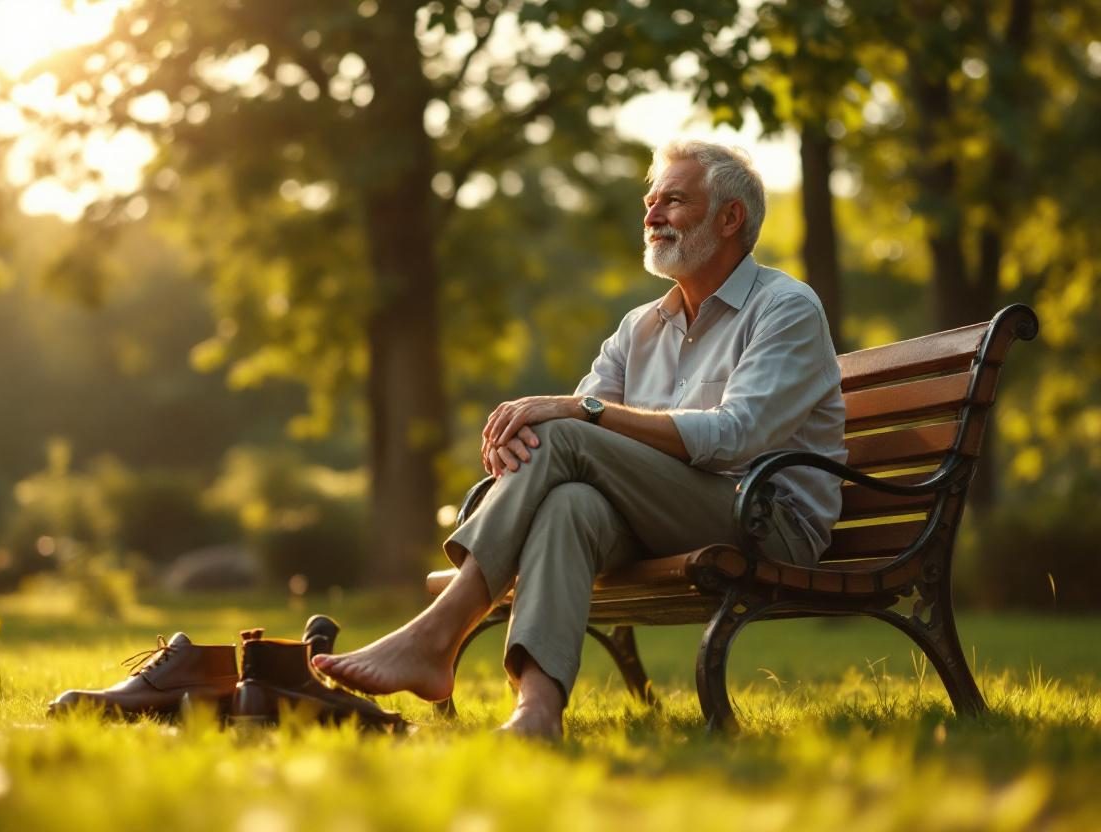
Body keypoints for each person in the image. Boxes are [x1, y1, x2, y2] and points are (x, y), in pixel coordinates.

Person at [312, 138, 847, 738]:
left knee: (569, 428)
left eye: (674, 200)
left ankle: (439, 631)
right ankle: (537, 711)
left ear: (730, 218)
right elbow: (567, 434)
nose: (652, 214)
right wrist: (520, 437)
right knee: (570, 502)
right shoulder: (640, 327)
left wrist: (576, 412)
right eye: (650, 201)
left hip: (767, 520)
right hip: (662, 516)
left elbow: (735, 436)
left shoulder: (785, 308)